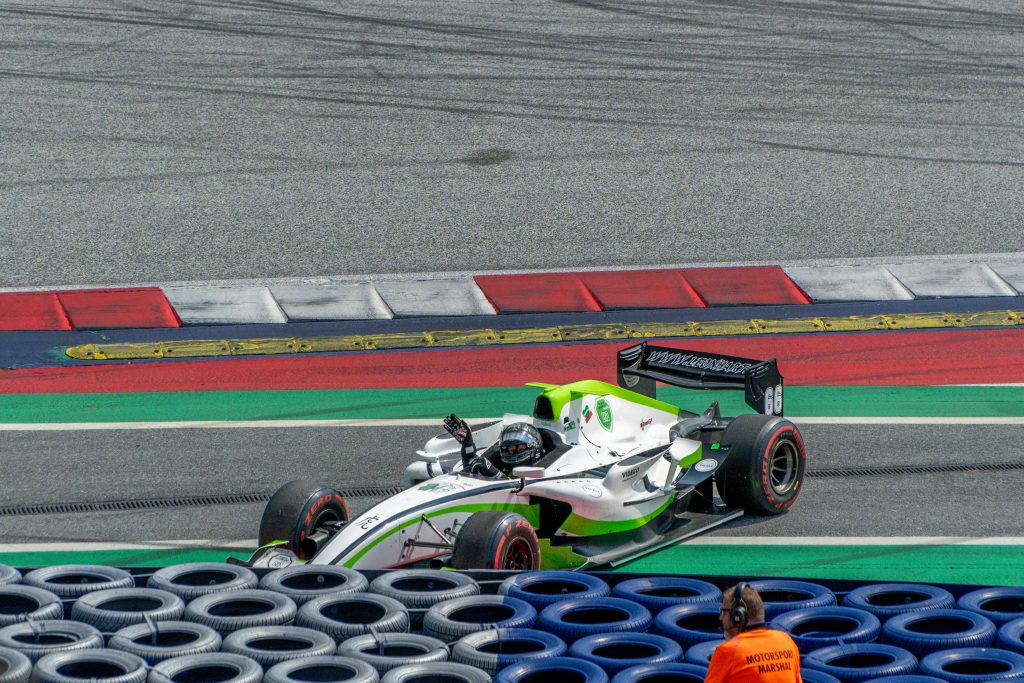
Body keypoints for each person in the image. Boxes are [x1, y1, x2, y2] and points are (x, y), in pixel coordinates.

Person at [704, 583, 803, 683]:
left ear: (737, 616)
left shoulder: (727, 651)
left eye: (723, 612)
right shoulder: (787, 642)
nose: (720, 617)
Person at [443, 414, 543, 477]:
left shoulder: (545, 472)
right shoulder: (505, 467)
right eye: (511, 449)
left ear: (534, 446)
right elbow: (469, 472)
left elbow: (524, 490)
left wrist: (493, 472)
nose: (514, 452)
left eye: (520, 448)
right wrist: (467, 444)